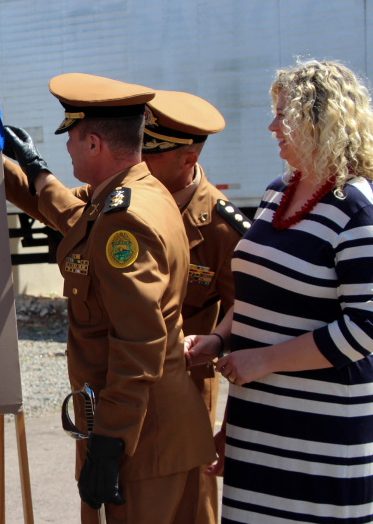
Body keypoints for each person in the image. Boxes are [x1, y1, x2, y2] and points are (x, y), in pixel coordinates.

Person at [186, 60, 373, 522]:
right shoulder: (277, 192)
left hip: (326, 418)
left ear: (320, 120)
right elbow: (255, 294)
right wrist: (221, 340)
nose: (271, 126)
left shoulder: (363, 207)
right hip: (260, 408)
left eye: (283, 114)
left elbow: (368, 327)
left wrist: (262, 360)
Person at [4, 73, 214, 523]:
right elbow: (66, 210)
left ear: (95, 144)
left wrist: (110, 443)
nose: (67, 150)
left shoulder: (125, 220)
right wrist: (24, 164)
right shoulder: (142, 192)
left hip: (141, 439)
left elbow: (139, 342)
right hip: (154, 429)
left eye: (72, 139)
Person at [141, 90, 249, 522]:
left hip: (189, 392)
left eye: (149, 154)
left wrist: (231, 426)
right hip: (129, 384)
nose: (138, 163)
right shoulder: (132, 202)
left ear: (186, 160)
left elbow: (248, 314)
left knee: (191, 502)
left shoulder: (223, 228)